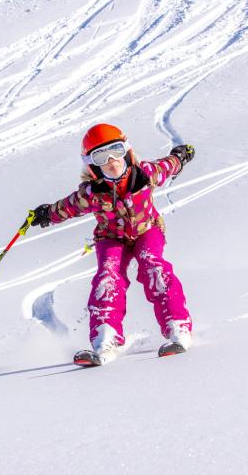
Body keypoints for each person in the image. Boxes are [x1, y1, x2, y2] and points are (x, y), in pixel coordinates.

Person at [31, 123, 195, 364]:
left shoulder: (145, 173)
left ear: (127, 151)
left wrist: (179, 157)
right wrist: (46, 213)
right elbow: (68, 207)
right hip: (110, 239)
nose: (111, 160)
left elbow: (168, 167)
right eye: (100, 156)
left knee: (153, 265)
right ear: (91, 164)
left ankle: (177, 327)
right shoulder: (92, 193)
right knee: (108, 275)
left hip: (147, 231)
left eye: (116, 151)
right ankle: (105, 339)